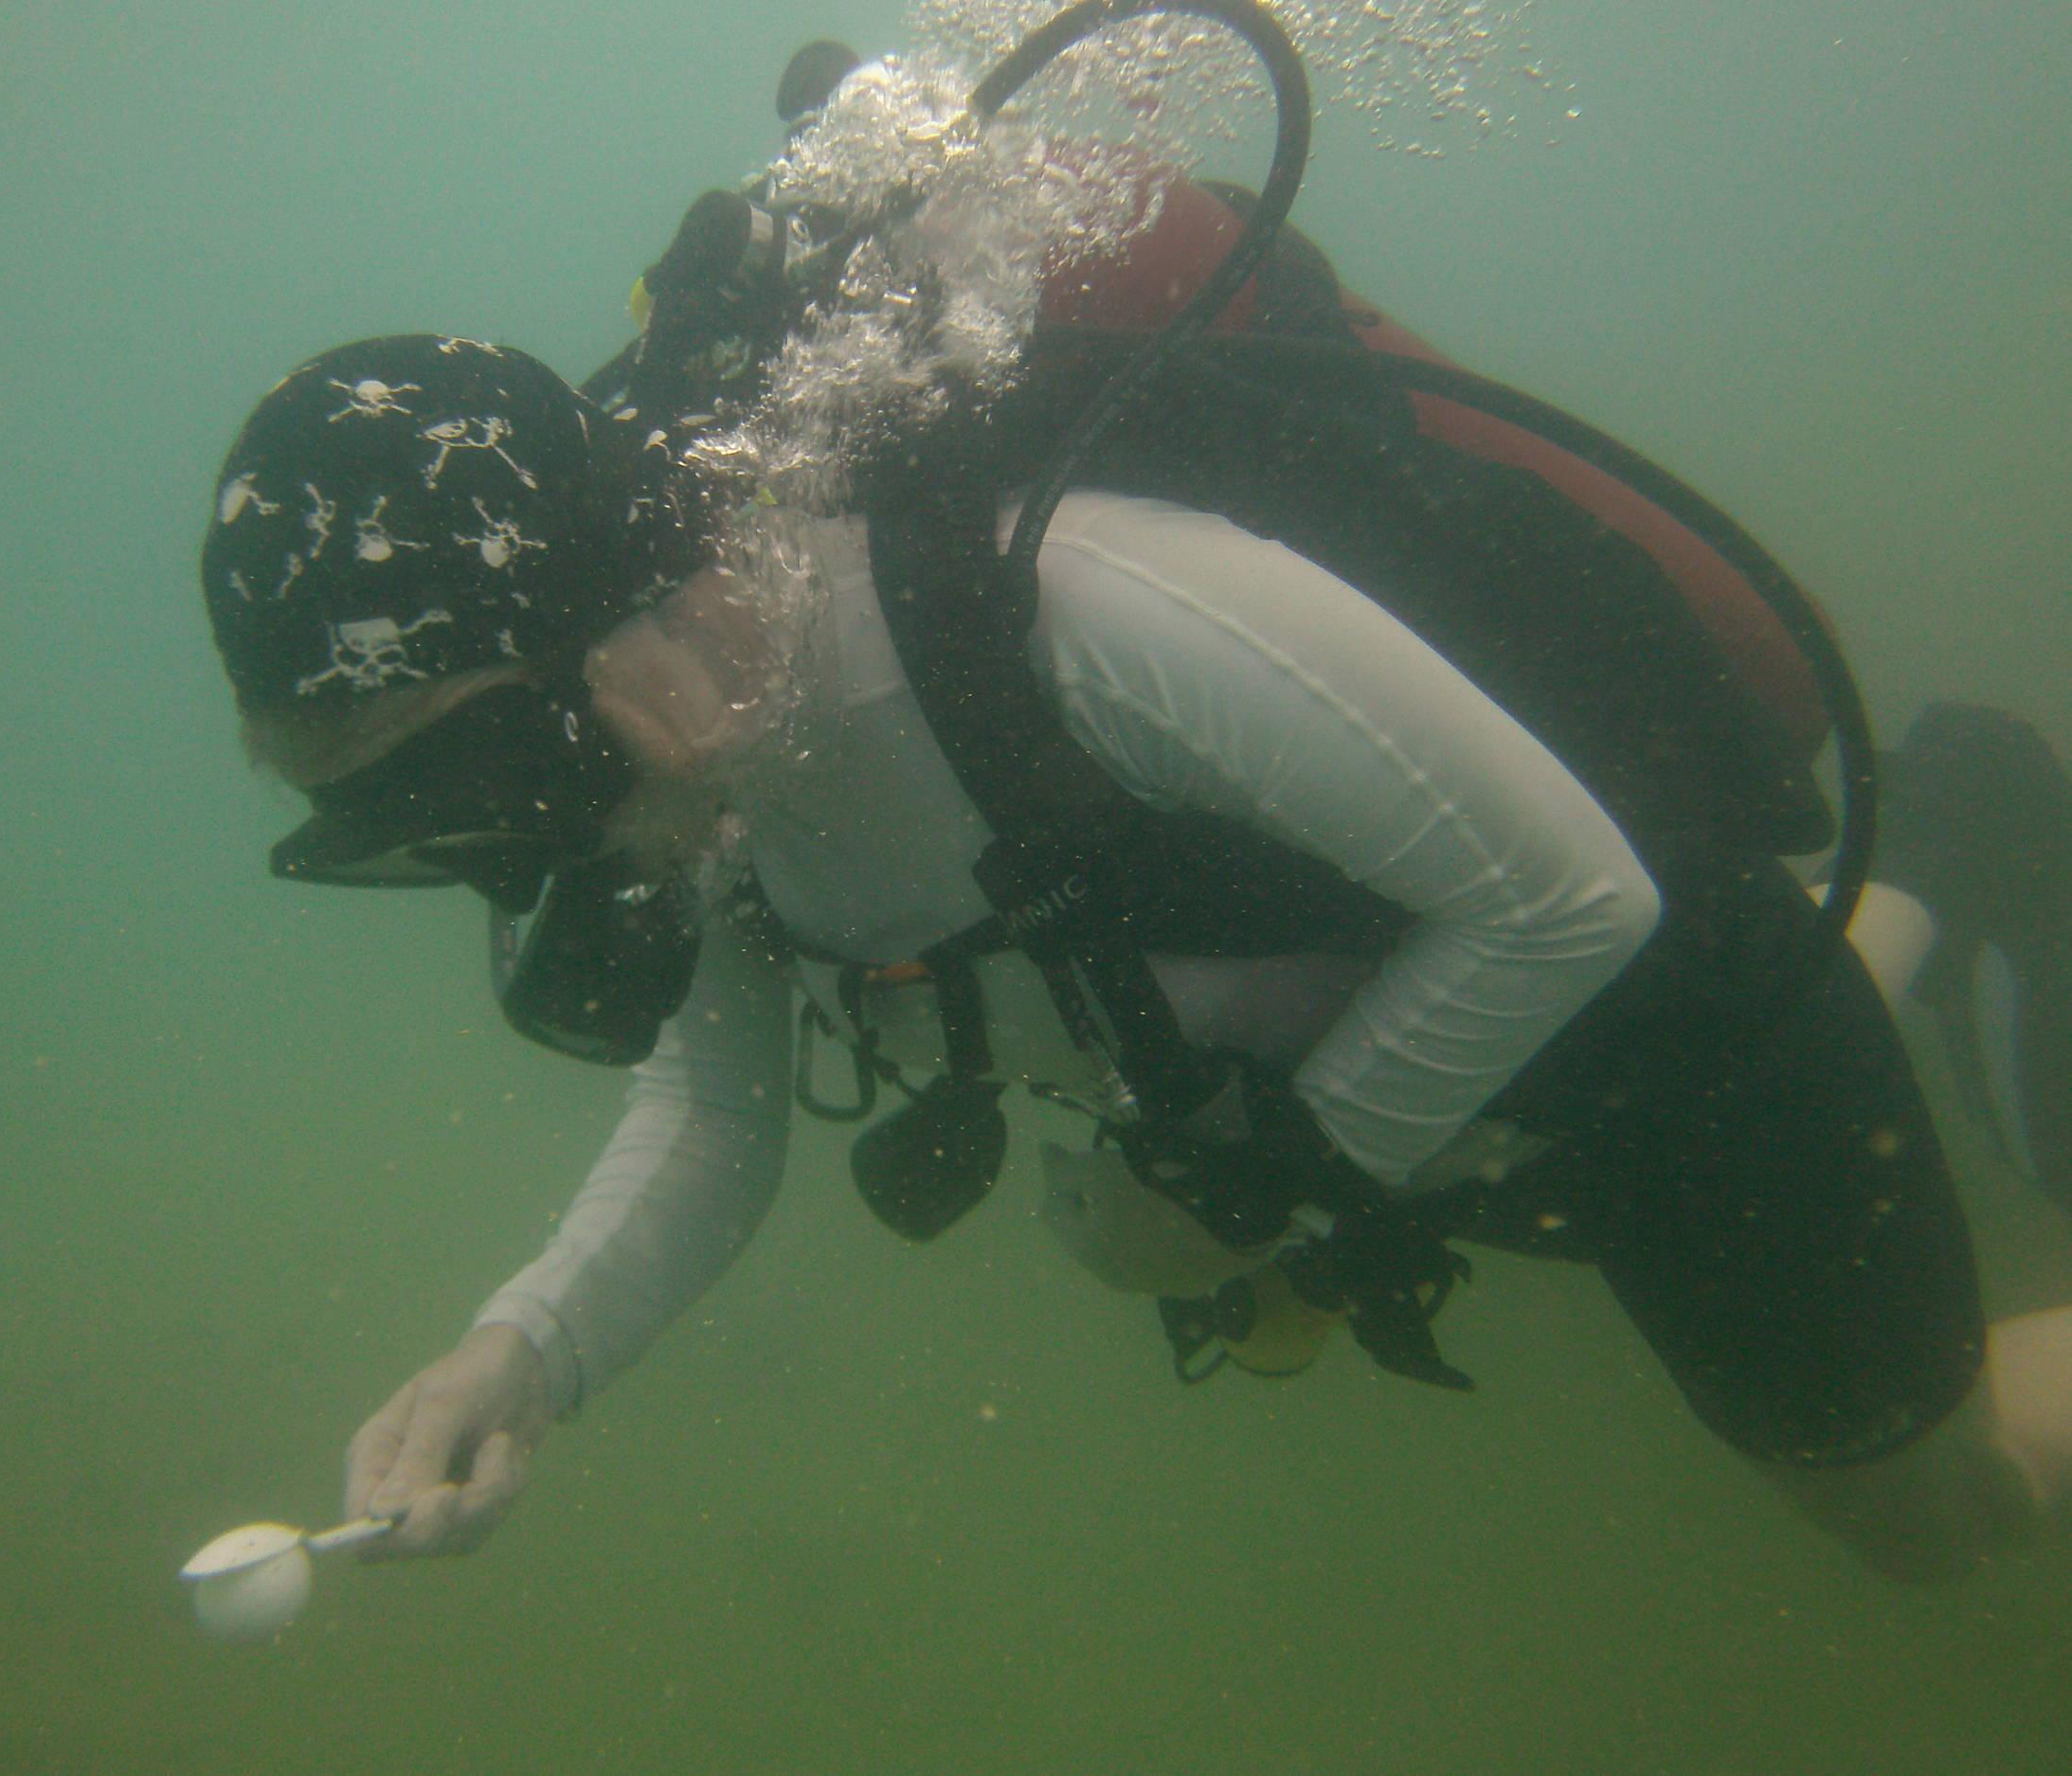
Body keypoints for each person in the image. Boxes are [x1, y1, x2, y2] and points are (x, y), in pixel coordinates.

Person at [195, 317, 2071, 1588]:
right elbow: (713, 1100)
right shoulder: (672, 777)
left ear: (602, 612)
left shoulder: (1063, 610)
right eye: (401, 827)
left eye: (481, 772)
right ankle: (1968, 836)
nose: (499, 857)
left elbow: (1570, 899)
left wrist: (1262, 1182)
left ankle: (1955, 842)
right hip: (1405, 1104)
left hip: (1663, 1032)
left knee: (1927, 1509)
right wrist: (525, 1345)